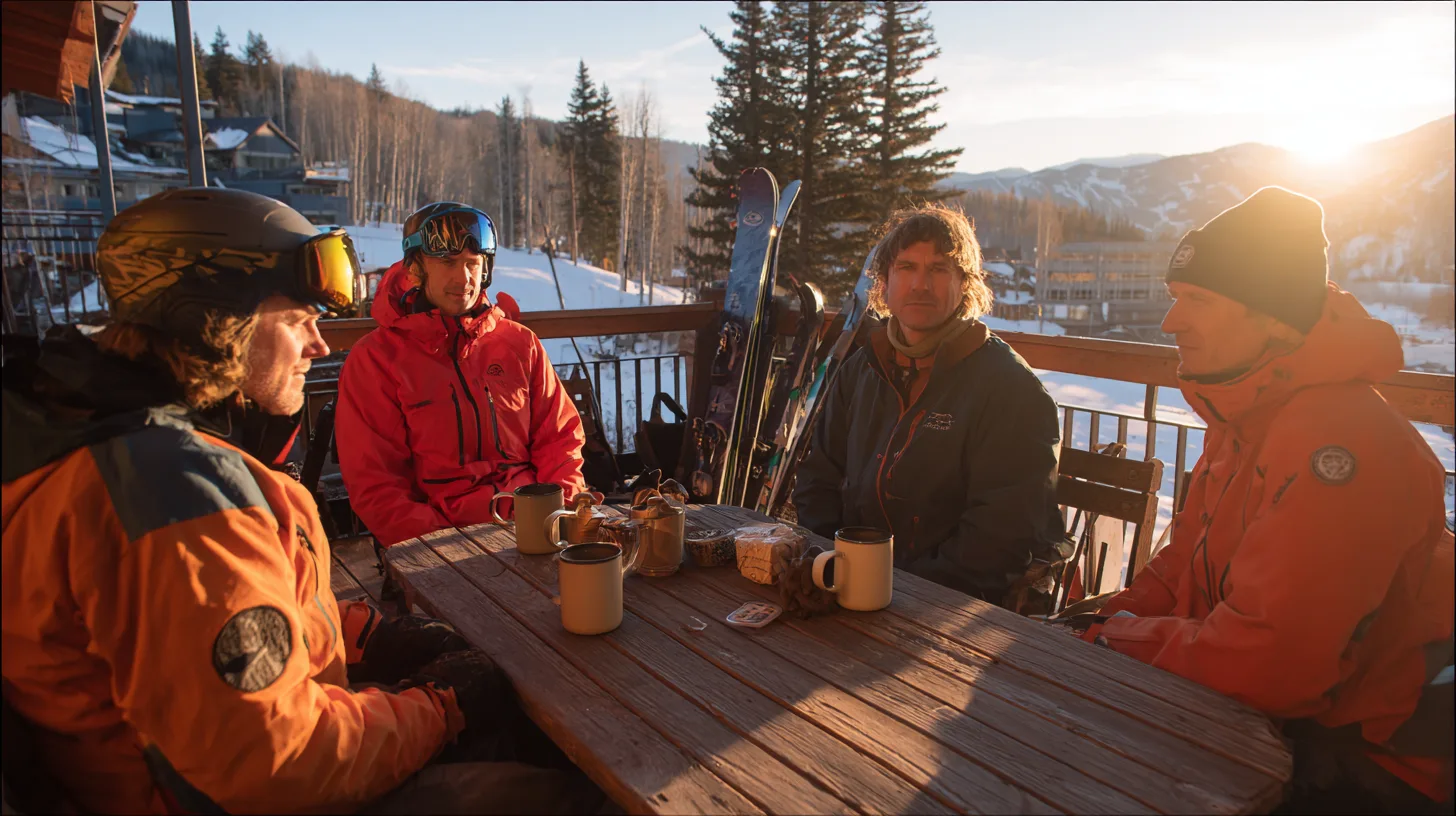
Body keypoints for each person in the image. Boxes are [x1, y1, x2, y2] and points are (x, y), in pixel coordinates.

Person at [0, 189, 601, 814]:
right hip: (281, 790)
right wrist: (441, 707)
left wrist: (365, 635)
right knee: (575, 790)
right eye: (297, 321)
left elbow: (240, 616)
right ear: (218, 323)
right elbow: (278, 761)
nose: (319, 346)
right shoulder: (173, 495)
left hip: (268, 745)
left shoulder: (115, 456)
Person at [1070, 187, 1454, 813]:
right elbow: (1180, 566)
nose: (1171, 322)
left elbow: (1274, 665)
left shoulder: (1341, 445)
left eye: (1196, 299)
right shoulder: (1246, 419)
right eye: (1175, 298)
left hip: (1369, 762)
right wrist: (1100, 622)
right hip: (1263, 721)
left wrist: (1120, 638)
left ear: (1273, 318)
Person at [793, 204, 1066, 608]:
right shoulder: (863, 368)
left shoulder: (1009, 388)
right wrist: (836, 564)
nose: (920, 284)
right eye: (906, 267)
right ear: (884, 283)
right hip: (852, 588)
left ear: (965, 286)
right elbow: (818, 477)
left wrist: (898, 590)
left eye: (939, 269)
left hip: (951, 607)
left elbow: (1000, 535)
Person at [335, 202, 588, 548]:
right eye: (447, 263)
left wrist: (563, 510)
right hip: (439, 541)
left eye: (472, 263)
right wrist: (444, 548)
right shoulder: (376, 360)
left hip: (537, 525)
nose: (463, 278)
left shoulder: (517, 343)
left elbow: (560, 440)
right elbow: (377, 485)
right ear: (415, 270)